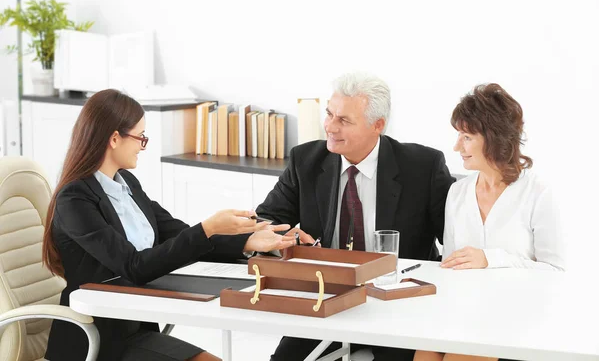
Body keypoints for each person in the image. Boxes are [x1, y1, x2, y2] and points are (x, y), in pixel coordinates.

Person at [42, 89, 295, 361]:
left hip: (136, 325)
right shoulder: (75, 200)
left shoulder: (127, 185)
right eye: (140, 137)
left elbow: (178, 234)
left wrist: (247, 240)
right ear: (115, 138)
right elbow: (133, 266)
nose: (142, 145)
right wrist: (207, 228)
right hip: (98, 337)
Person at [250, 72, 455, 361]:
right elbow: (264, 220)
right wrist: (281, 238)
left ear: (378, 125)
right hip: (328, 296)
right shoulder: (305, 161)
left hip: (397, 303)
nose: (330, 127)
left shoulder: (423, 166)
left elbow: (455, 241)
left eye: (344, 120)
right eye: (329, 114)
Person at [414, 83, 565, 361]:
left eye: (467, 137)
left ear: (494, 138)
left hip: (515, 318)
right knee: (425, 353)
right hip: (463, 313)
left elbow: (555, 271)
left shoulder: (538, 193)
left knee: (463, 355)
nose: (456, 146)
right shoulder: (457, 193)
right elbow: (451, 265)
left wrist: (489, 258)